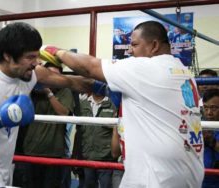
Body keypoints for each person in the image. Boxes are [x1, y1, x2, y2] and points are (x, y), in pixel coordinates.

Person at [40, 20, 204, 187]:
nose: (130, 50)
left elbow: (89, 67)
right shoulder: (182, 72)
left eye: (134, 44)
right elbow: (89, 83)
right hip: (185, 176)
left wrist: (54, 51)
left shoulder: (148, 68)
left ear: (154, 45)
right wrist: (43, 76)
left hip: (155, 178)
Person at [0, 22, 92, 188]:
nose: (36, 62)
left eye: (37, 56)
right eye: (30, 57)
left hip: (3, 166)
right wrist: (0, 118)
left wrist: (102, 85)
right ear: (8, 56)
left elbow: (69, 81)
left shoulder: (31, 74)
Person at [76, 92, 117, 188]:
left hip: (106, 159)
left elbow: (118, 130)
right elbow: (79, 130)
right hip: (88, 156)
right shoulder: (83, 104)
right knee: (88, 185)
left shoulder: (113, 104)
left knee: (106, 185)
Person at [201, 89, 219, 188]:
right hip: (200, 182)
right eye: (206, 107)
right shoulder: (199, 125)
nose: (209, 112)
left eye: (214, 108)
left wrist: (211, 141)